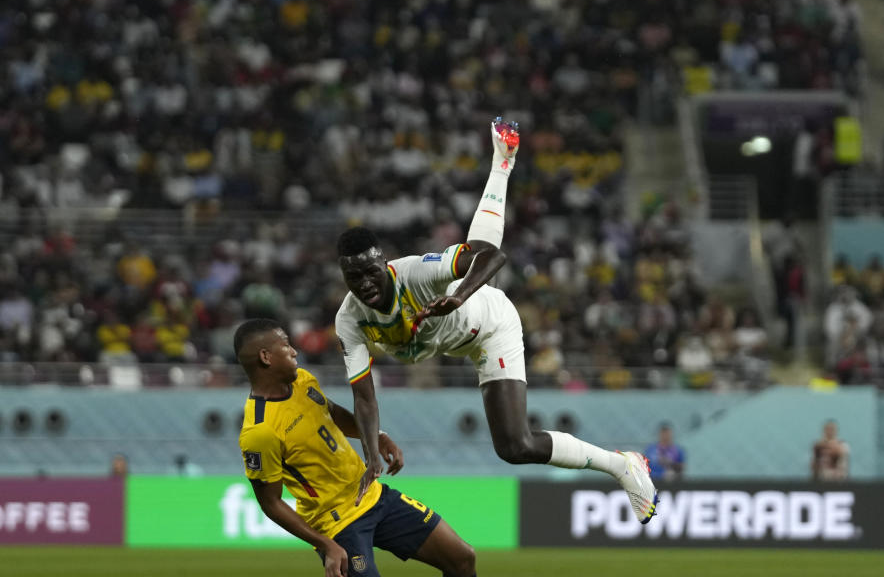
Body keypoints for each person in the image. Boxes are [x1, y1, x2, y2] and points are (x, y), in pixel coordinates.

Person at [335, 118, 657, 524]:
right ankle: (502, 162)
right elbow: (364, 397)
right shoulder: (348, 319)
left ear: (385, 264)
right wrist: (370, 455)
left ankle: (623, 466)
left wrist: (458, 295)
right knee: (512, 450)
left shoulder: (416, 272)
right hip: (455, 344)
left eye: (371, 272)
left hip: (490, 325)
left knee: (516, 444)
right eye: (353, 277)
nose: (364, 284)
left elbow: (492, 257)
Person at [235, 319, 476, 577]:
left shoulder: (302, 381)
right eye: (286, 346)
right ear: (266, 357)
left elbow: (331, 414)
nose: (294, 351)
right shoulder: (260, 431)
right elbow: (270, 503)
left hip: (373, 496)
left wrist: (375, 436)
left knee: (462, 558)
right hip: (337, 525)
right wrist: (325, 544)